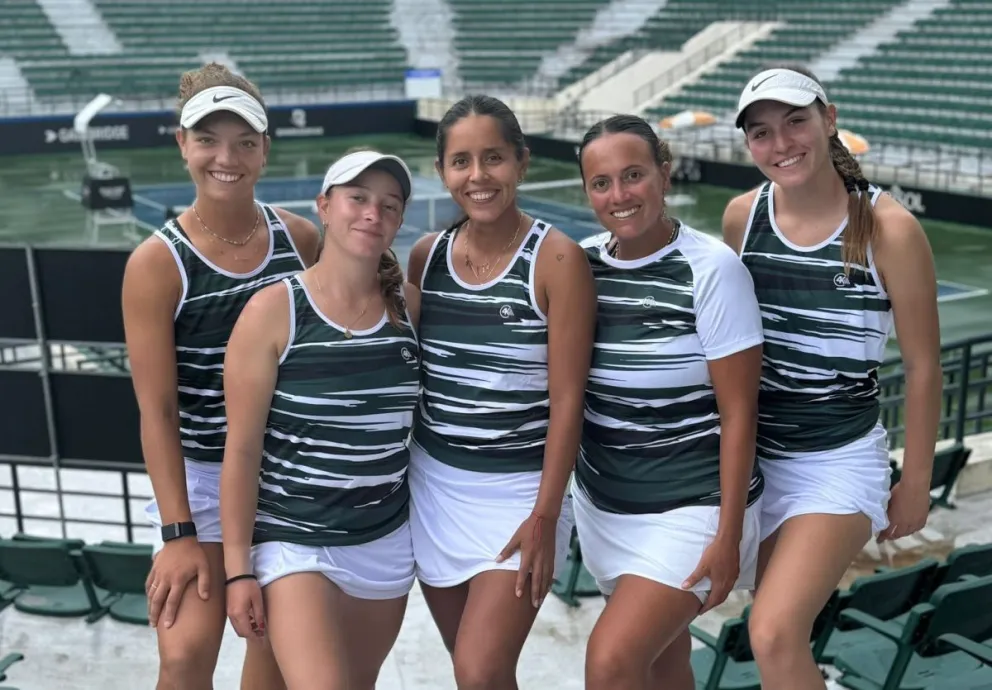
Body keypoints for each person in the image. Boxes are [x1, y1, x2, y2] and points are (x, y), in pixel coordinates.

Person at [724, 66, 942, 689]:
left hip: (838, 461)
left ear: (829, 118)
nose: (781, 142)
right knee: (773, 637)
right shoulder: (744, 217)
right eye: (761, 132)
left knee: (771, 632)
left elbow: (924, 367)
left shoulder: (888, 229)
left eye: (796, 120)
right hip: (761, 463)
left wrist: (918, 481)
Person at [121, 63, 320, 690]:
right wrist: (178, 531)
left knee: (273, 658)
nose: (225, 157)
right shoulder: (158, 264)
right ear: (182, 145)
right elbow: (156, 412)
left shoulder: (301, 239)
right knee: (184, 658)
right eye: (207, 138)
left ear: (265, 150)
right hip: (203, 482)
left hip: (284, 477)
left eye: (244, 141)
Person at [405, 94, 596, 688]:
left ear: (521, 162)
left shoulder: (557, 259)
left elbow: (569, 401)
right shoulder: (425, 257)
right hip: (434, 490)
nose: (478, 176)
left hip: (520, 497)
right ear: (442, 172)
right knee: (475, 676)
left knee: (480, 668)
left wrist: (545, 515)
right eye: (461, 161)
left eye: (493, 158)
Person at [573, 114, 765, 690]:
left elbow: (739, 413)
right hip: (605, 504)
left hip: (692, 508)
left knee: (610, 663)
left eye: (633, 175)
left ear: (664, 172)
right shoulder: (578, 265)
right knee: (663, 664)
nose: (619, 195)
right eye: (601, 182)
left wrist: (727, 536)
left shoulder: (712, 271)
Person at [219, 150, 419, 690]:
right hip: (295, 538)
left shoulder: (409, 310)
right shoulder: (274, 310)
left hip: (382, 541)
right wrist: (238, 569)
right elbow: (241, 451)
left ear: (399, 221)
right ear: (325, 207)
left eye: (389, 205)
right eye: (358, 198)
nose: (372, 213)